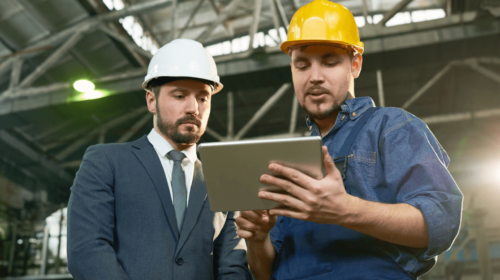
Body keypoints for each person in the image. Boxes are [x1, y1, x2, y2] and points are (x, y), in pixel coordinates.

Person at [235, 1, 463, 279]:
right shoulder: (288, 161)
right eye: (302, 65)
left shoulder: (392, 128)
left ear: (355, 64)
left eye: (330, 62)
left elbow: (442, 222)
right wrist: (257, 239)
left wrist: (344, 210)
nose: (315, 77)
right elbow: (265, 274)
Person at [67, 39, 251, 280]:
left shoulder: (223, 182)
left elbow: (232, 268)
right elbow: (87, 250)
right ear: (151, 101)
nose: (193, 108)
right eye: (179, 95)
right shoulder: (105, 162)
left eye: (203, 97)